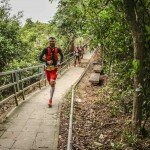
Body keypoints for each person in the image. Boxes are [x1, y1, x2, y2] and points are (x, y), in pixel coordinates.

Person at [39, 37, 63, 107]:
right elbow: (40, 58)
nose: (52, 42)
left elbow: (62, 56)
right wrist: (47, 61)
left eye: (53, 41)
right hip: (47, 70)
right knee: (51, 84)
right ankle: (51, 94)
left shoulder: (58, 49)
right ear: (49, 42)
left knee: (52, 83)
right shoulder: (45, 49)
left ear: (55, 42)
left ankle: (50, 100)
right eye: (51, 41)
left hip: (54, 69)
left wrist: (59, 62)